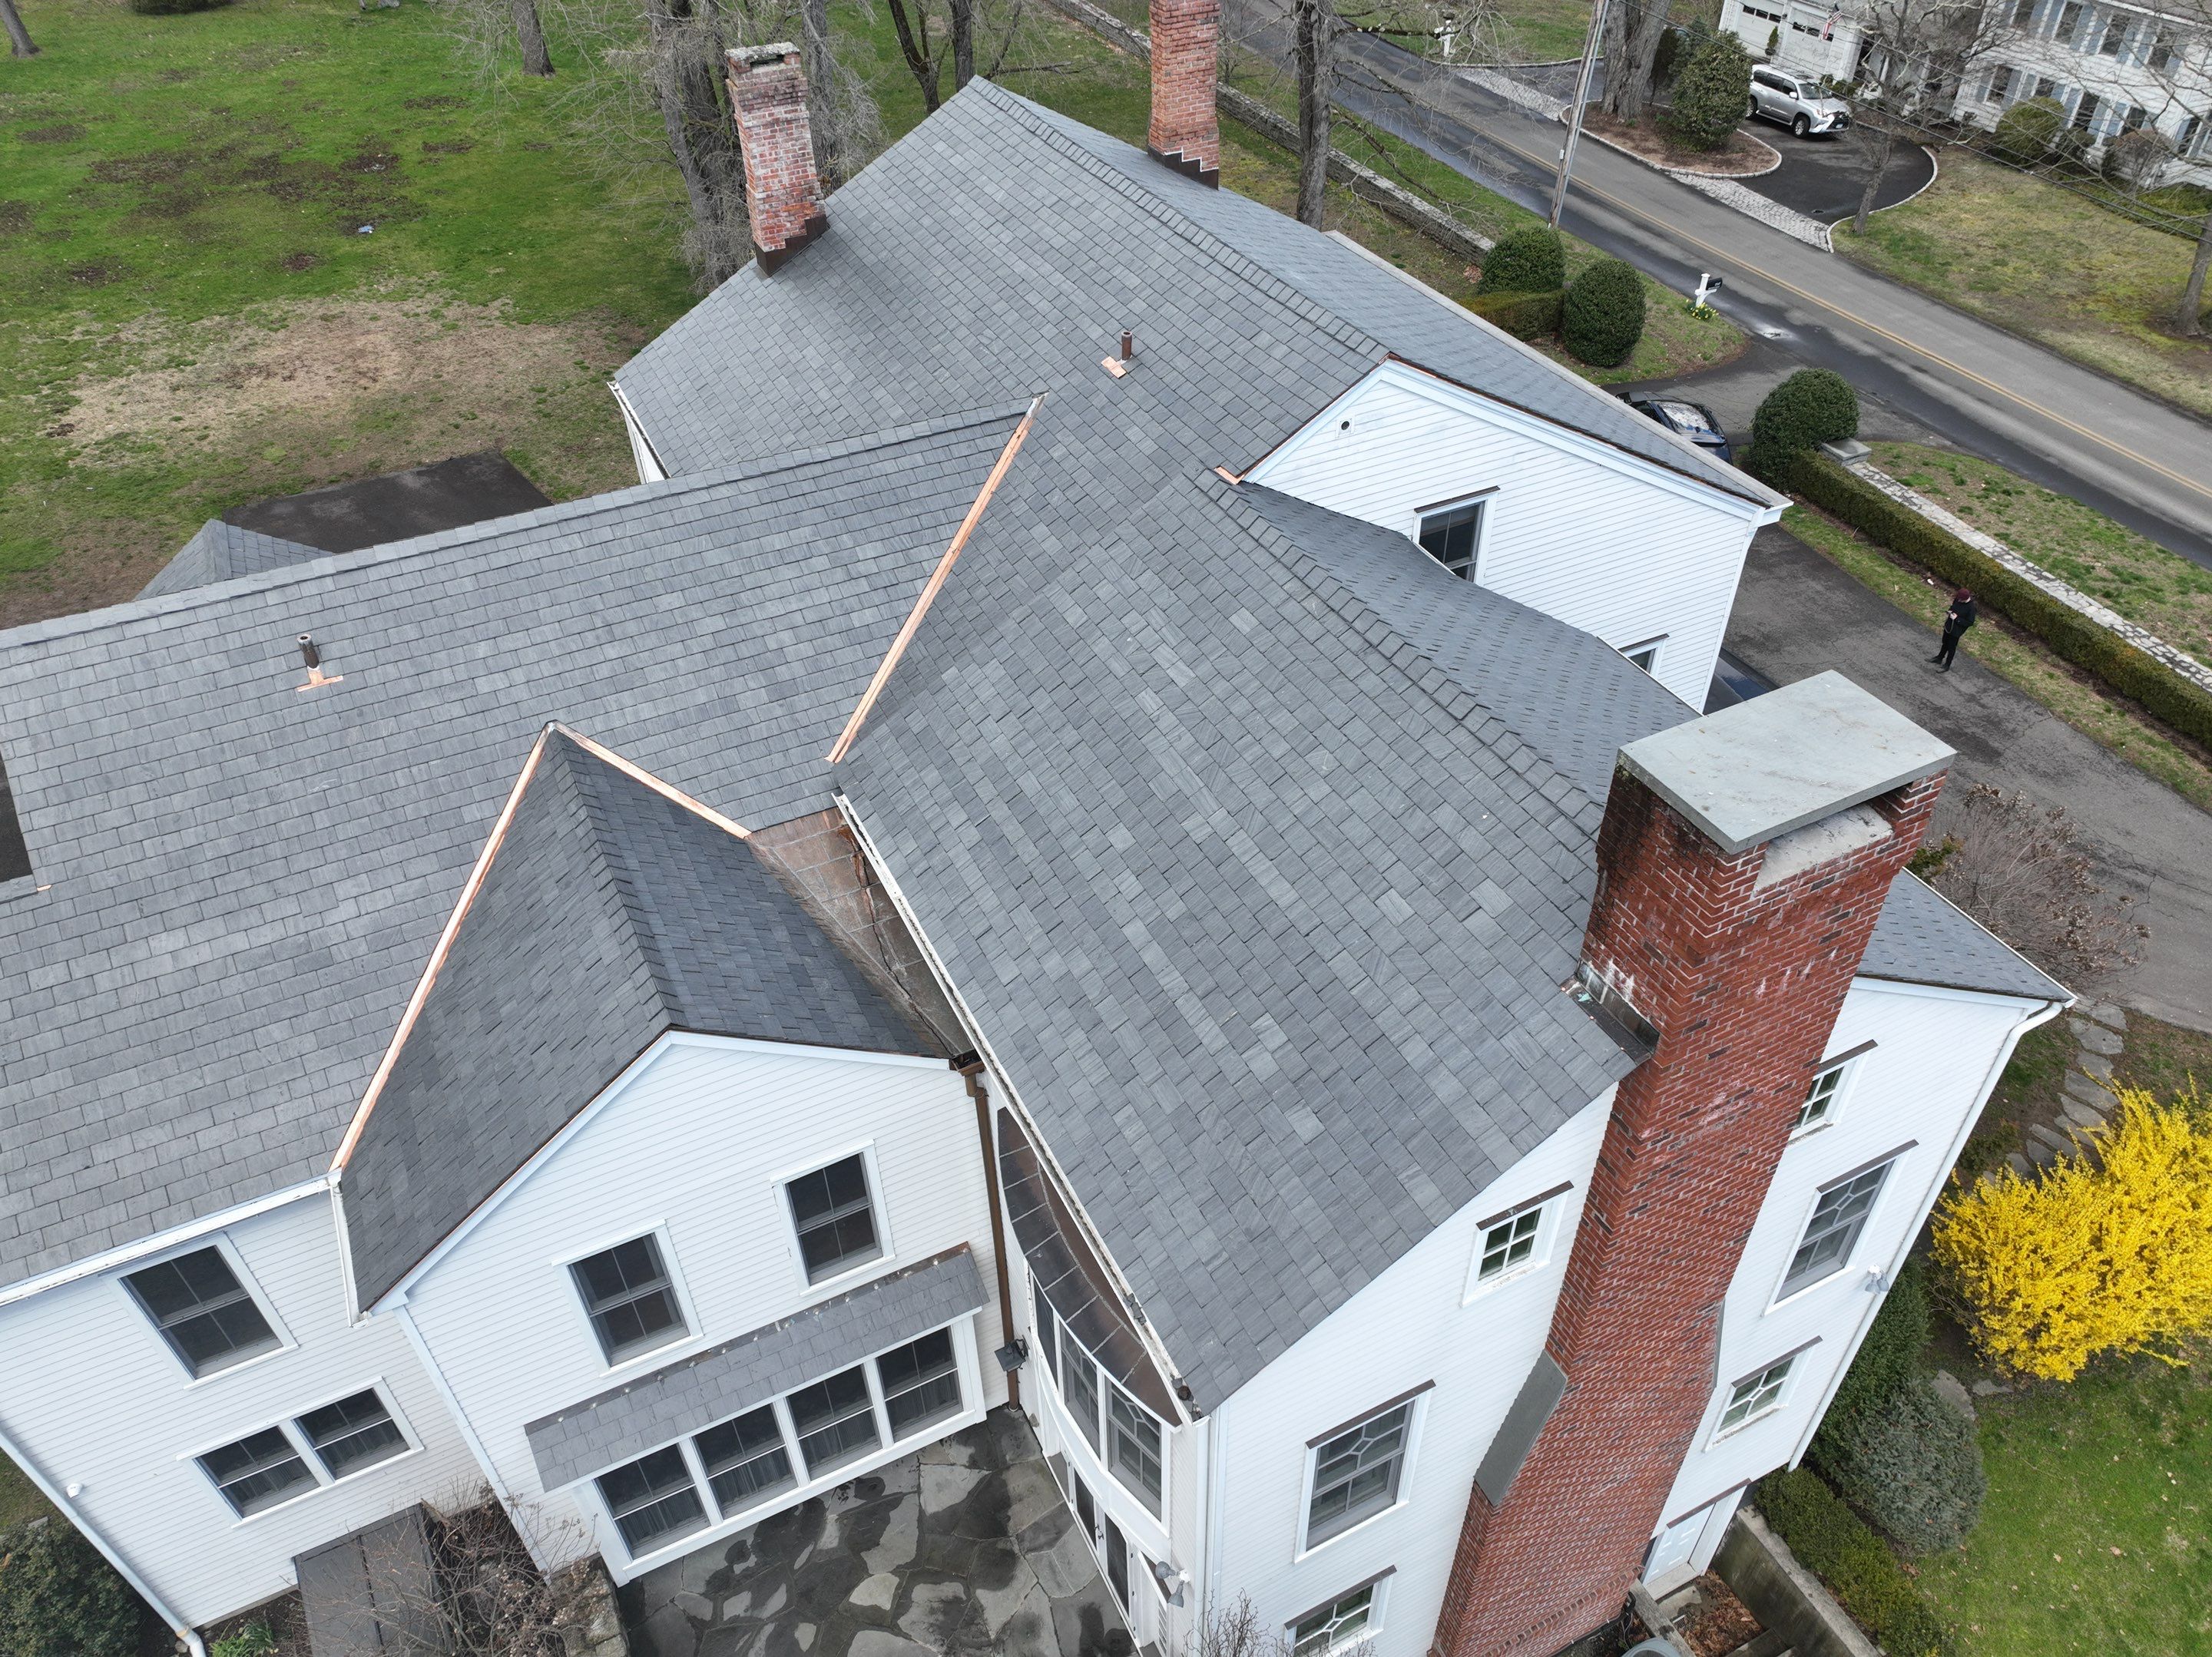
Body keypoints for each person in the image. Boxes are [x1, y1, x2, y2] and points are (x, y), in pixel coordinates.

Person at [1931, 586, 1976, 671]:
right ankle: (1939, 658)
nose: (1958, 601)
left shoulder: (1971, 608)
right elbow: (1953, 606)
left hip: (1956, 631)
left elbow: (1970, 622)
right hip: (1949, 626)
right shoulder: (1958, 599)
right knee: (1945, 642)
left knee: (1951, 647)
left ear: (1965, 599)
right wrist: (1950, 611)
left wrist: (1957, 619)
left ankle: (1947, 665)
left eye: (1960, 600)